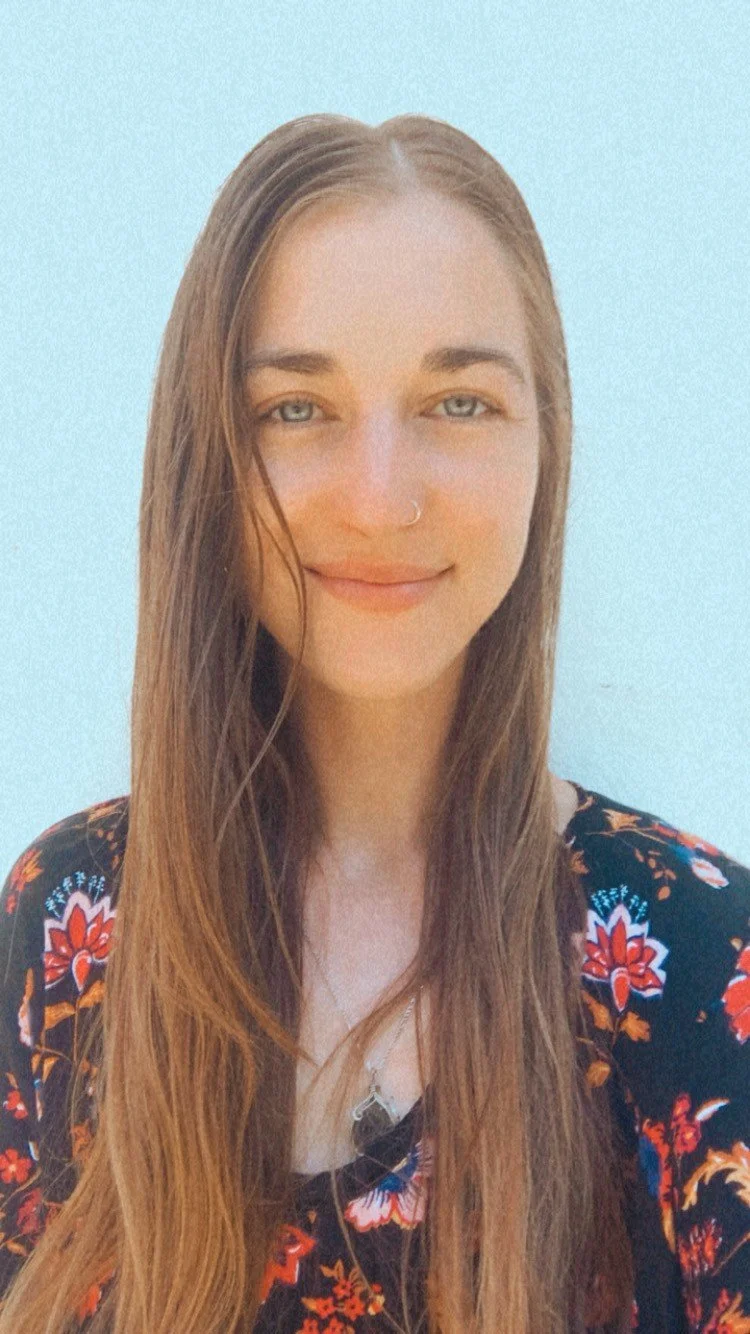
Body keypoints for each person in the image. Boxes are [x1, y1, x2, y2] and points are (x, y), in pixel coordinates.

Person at [0, 113, 748, 1334]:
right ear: (209, 459)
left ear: (544, 447)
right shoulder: (70, 927)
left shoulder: (701, 960)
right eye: (297, 409)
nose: (380, 494)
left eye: (458, 403)